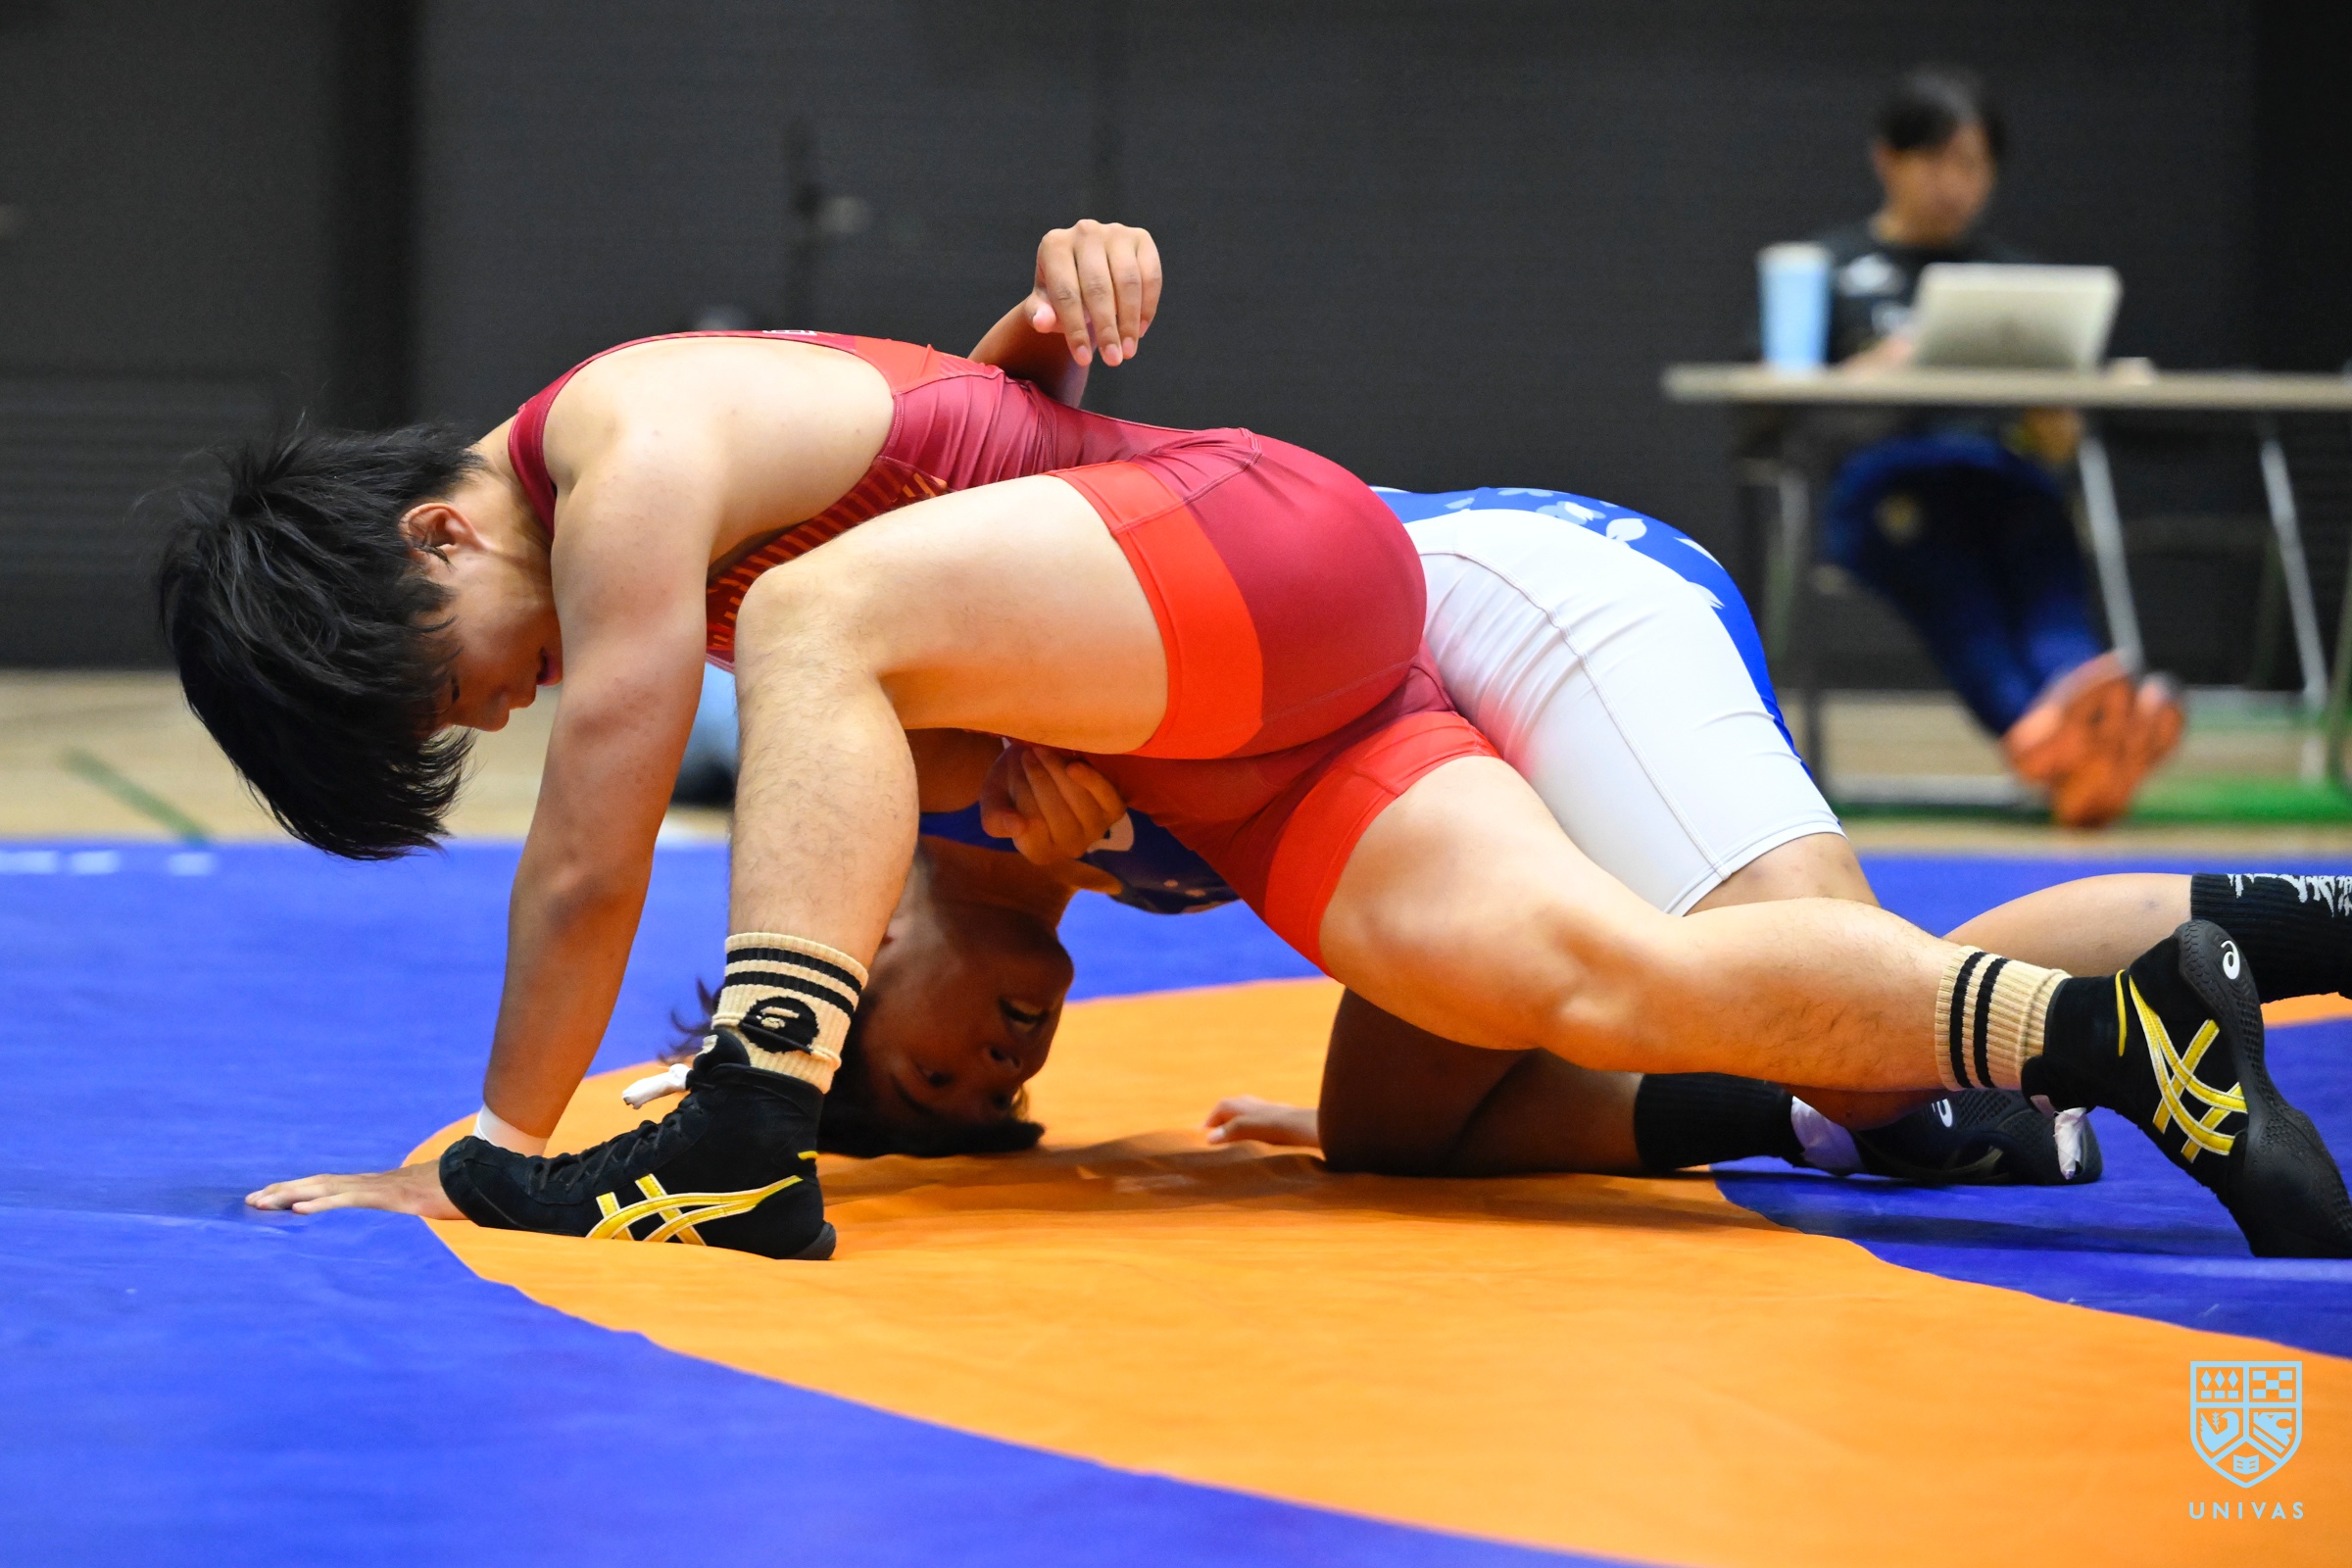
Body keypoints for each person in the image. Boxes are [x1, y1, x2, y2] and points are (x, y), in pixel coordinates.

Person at [171, 223, 2351, 1261]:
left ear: (437, 533)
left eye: (456, 686)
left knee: (815, 633)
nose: (512, 709)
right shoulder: (900, 712)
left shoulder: (620, 448)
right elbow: (969, 444)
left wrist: (490, 1137)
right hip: (1289, 707)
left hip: (1380, 562)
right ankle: (2118, 1032)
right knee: (1597, 986)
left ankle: (746, 1137)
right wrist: (1027, 349)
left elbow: (596, 838)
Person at [1806, 66, 2181, 826]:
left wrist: (2061, 422)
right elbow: (1779, 407)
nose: (1955, 183)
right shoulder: (1829, 270)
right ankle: (2048, 728)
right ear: (1888, 159)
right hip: (1889, 487)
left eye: (1973, 164)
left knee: (2043, 561)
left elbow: (2062, 431)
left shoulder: (2020, 280)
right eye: (1936, 160)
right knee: (1958, 584)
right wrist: (1884, 366)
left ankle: (2084, 718)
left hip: (2003, 477)